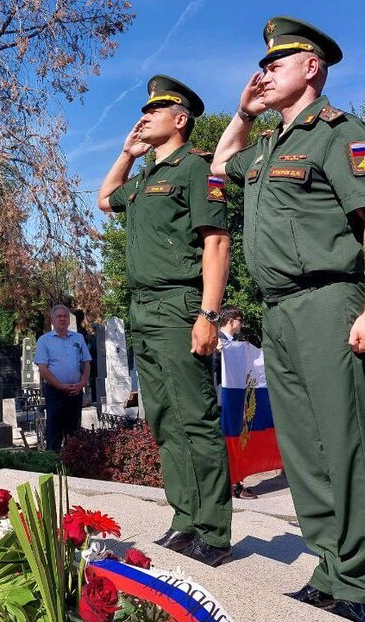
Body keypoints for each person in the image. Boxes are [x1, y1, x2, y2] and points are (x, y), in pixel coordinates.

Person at [212, 17, 365, 620]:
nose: (263, 73)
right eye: (261, 66)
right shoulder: (268, 147)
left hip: (328, 301)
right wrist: (243, 113)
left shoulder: (338, 134)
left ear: (311, 68)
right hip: (279, 311)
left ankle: (363, 580)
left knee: (342, 441)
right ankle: (330, 566)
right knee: (302, 447)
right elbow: (220, 168)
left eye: (275, 64)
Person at [97, 75, 234, 567]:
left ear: (180, 119)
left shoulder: (196, 170)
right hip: (142, 310)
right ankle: (185, 518)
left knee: (195, 418)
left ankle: (214, 531)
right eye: (144, 109)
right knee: (164, 420)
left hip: (180, 307)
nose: (144, 115)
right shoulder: (142, 180)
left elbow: (217, 242)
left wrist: (208, 315)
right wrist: (127, 153)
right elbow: (104, 197)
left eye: (156, 110)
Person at [213, 306, 258, 500]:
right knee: (226, 442)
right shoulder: (217, 341)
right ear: (231, 321)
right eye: (240, 320)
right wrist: (216, 354)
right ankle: (233, 486)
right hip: (223, 400)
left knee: (235, 441)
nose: (241, 324)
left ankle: (236, 483)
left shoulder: (237, 344)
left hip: (236, 400)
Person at [34, 304, 92, 452]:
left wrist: (83, 382)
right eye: (58, 316)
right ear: (52, 320)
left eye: (65, 316)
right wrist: (60, 386)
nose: (62, 319)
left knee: (74, 432)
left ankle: (72, 465)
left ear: (68, 320)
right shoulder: (44, 340)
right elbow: (43, 368)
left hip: (75, 391)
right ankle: (52, 465)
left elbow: (86, 362)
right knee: (54, 431)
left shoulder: (78, 338)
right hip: (55, 391)